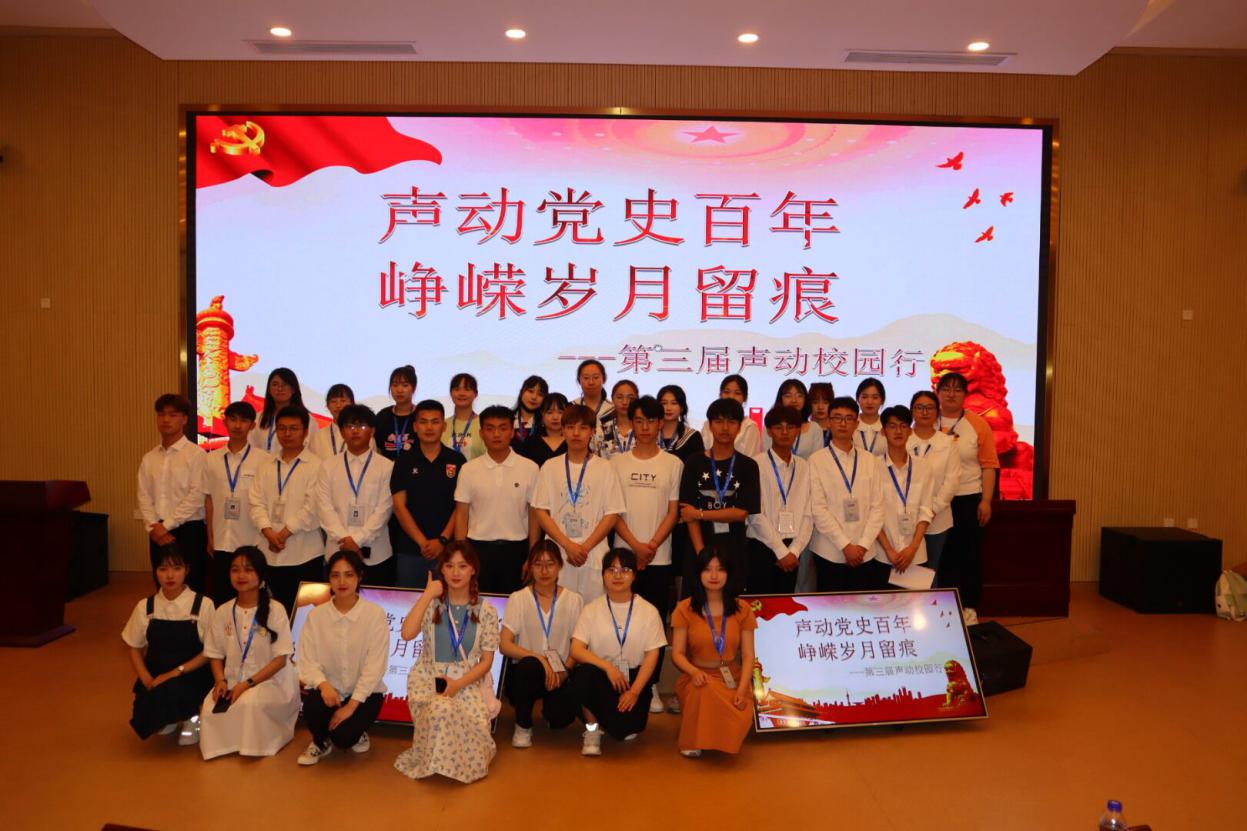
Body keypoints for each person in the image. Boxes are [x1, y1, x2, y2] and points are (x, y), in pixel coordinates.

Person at [395, 544, 500, 784]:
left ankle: (452, 761)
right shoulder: (432, 603)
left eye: (462, 566)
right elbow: (407, 633)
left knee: (473, 739)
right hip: (429, 681)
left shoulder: (487, 610)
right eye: (449, 566)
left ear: (473, 570)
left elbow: (486, 661)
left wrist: (458, 684)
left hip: (467, 682)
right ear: (441, 569)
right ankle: (439, 762)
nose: (455, 572)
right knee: (441, 709)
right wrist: (427, 595)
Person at [610, 395, 682, 713]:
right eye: (638, 421)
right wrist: (636, 547)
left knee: (652, 624)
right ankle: (622, 681)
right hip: (623, 557)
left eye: (650, 421)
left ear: (660, 424)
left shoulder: (673, 464)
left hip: (659, 556)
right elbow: (613, 512)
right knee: (620, 621)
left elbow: (673, 511)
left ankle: (650, 686)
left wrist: (650, 545)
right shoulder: (616, 463)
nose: (644, 427)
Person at [199, 546, 300, 760]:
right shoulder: (223, 611)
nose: (241, 575)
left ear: (261, 575)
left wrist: (247, 684)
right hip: (233, 680)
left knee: (250, 703)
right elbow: (214, 653)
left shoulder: (275, 610)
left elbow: (281, 660)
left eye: (248, 569)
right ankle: (230, 743)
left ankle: (254, 744)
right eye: (235, 569)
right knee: (209, 710)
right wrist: (220, 681)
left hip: (272, 681)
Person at [295, 549, 390, 765]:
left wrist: (351, 706)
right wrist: (324, 685)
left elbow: (375, 667)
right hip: (330, 692)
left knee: (344, 739)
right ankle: (320, 741)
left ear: (359, 577)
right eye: (335, 575)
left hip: (364, 695)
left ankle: (355, 732)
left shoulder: (374, 614)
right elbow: (307, 661)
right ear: (329, 579)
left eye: (349, 574)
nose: (342, 581)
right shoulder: (316, 616)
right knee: (312, 707)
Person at [569, 549, 667, 756]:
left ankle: (614, 721)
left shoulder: (649, 611)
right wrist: (608, 667)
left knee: (625, 730)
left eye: (625, 570)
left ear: (634, 575)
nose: (617, 575)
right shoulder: (591, 609)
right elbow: (576, 649)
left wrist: (634, 692)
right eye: (611, 570)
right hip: (603, 676)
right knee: (582, 675)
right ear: (603, 574)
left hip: (633, 679)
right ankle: (592, 730)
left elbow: (652, 655)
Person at [122, 545, 215, 745]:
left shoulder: (203, 604)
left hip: (191, 672)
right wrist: (148, 681)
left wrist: (176, 672)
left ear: (187, 570)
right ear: (155, 571)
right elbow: (134, 648)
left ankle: (193, 717)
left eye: (177, 568)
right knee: (144, 710)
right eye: (163, 569)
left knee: (177, 688)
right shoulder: (145, 606)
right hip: (157, 671)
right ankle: (170, 717)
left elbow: (210, 652)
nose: (170, 575)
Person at [532, 403, 624, 603]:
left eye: (583, 428)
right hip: (558, 552)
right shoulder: (550, 467)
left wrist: (585, 547)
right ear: (563, 430)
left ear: (592, 432)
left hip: (594, 553)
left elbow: (613, 513)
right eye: (570, 427)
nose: (576, 433)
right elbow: (540, 511)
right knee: (558, 611)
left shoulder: (605, 468)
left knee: (593, 612)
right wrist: (568, 546)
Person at [670, 546, 756, 757]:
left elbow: (748, 656)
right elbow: (677, 654)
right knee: (703, 690)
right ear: (699, 574)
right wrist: (693, 672)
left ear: (729, 573)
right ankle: (695, 738)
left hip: (732, 677)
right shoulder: (684, 608)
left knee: (740, 708)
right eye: (708, 569)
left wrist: (742, 689)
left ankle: (713, 732)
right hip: (698, 677)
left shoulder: (743, 609)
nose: (714, 575)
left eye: (720, 569)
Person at [499, 541, 585, 748]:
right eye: (538, 564)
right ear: (530, 567)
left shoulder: (574, 600)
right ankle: (523, 725)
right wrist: (540, 659)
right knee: (528, 666)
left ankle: (550, 711)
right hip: (529, 672)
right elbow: (504, 645)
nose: (544, 571)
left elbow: (579, 645)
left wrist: (565, 671)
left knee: (560, 720)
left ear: (560, 566)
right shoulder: (519, 598)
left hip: (561, 671)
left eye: (550, 564)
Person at [453, 405, 540, 594]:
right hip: (477, 550)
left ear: (512, 432)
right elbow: (461, 515)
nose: (496, 434)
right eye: (490, 428)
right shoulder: (469, 469)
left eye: (503, 428)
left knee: (514, 606)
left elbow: (534, 516)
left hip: (516, 550)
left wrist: (532, 556)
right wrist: (461, 557)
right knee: (478, 605)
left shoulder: (530, 468)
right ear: (481, 433)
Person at [935, 371, 1000, 623]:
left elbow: (989, 465)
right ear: (938, 392)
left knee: (969, 555)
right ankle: (941, 609)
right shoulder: (927, 419)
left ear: (965, 395)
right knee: (940, 555)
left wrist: (986, 501)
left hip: (968, 498)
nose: (951, 394)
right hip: (935, 501)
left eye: (957, 389)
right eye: (946, 389)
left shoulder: (977, 424)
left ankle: (970, 607)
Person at [679, 398, 761, 595]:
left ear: (739, 427)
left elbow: (740, 513)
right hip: (698, 548)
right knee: (695, 606)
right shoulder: (693, 462)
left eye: (731, 422)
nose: (725, 427)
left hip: (734, 551)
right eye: (719, 421)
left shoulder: (748, 466)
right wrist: (702, 554)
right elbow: (686, 513)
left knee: (732, 606)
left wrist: (699, 513)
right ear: (709, 425)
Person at [247, 405, 323, 615]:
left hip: (305, 553)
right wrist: (268, 531)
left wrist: (283, 534)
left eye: (293, 428)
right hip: (268, 551)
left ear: (305, 432)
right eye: (282, 428)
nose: (287, 434)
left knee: (304, 618)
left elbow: (313, 507)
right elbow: (255, 502)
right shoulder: (266, 465)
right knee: (270, 615)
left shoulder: (317, 466)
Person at [808, 397, 887, 591]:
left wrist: (862, 545)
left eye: (849, 418)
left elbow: (878, 507)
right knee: (829, 606)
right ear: (829, 422)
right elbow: (818, 509)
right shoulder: (816, 460)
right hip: (829, 551)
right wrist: (845, 546)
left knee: (862, 606)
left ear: (856, 424)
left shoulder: (870, 460)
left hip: (865, 552)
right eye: (837, 418)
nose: (843, 423)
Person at [315, 405, 397, 586]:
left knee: (374, 601)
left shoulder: (386, 467)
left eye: (362, 426)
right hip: (336, 550)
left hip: (376, 553)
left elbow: (384, 509)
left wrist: (357, 541)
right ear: (341, 431)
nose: (355, 431)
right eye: (350, 426)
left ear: (372, 431)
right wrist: (346, 541)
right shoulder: (328, 466)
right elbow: (324, 507)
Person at [137, 393, 208, 591]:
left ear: (184, 419)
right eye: (161, 414)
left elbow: (197, 496)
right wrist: (153, 527)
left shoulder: (197, 455)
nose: (166, 420)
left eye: (173, 415)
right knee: (162, 586)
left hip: (189, 529)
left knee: (191, 586)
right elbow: (143, 496)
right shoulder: (149, 458)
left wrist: (166, 525)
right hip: (157, 531)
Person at [391, 399, 464, 588]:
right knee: (409, 602)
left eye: (435, 422)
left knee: (447, 601)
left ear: (444, 426)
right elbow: (399, 507)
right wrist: (423, 542)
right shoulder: (403, 461)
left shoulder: (457, 461)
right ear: (415, 427)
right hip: (410, 550)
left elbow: (461, 507)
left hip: (448, 551)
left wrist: (442, 540)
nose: (429, 427)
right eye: (423, 422)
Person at [203, 400, 270, 604]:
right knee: (222, 597)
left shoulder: (263, 460)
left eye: (243, 420)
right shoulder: (211, 459)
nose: (237, 425)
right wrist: (210, 537)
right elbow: (209, 500)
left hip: (251, 539)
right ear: (225, 422)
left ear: (252, 425)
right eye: (233, 420)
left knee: (252, 596)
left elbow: (265, 502)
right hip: (222, 540)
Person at [746, 406, 812, 595]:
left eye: (790, 427)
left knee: (785, 605)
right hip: (762, 546)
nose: (784, 432)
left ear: (798, 431)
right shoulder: (755, 464)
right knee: (759, 606)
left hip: (793, 549)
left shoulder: (804, 466)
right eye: (778, 427)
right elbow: (755, 514)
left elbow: (809, 513)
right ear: (768, 431)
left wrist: (794, 550)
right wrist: (781, 551)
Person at [875, 406, 936, 584]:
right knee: (881, 602)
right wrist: (889, 550)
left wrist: (912, 548)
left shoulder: (923, 467)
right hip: (882, 555)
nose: (898, 431)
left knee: (916, 602)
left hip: (916, 554)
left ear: (910, 431)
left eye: (903, 426)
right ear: (883, 431)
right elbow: (872, 512)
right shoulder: (872, 467)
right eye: (892, 426)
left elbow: (926, 510)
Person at [907, 391, 959, 578]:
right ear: (912, 411)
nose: (924, 412)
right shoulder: (902, 439)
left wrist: (931, 511)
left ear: (937, 412)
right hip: (906, 518)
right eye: (919, 407)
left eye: (929, 408)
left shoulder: (947, 442)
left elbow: (952, 480)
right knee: (907, 572)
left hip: (937, 519)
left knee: (930, 571)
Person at [797, 381, 836, 591]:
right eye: (815, 401)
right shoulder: (805, 429)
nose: (820, 406)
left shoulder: (839, 429)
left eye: (825, 401)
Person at [250, 368, 319, 453]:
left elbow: (313, 450)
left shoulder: (307, 419)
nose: (280, 389)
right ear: (269, 390)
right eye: (275, 384)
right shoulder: (258, 418)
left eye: (285, 384)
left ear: (294, 389)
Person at [701, 374, 762, 456]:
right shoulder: (708, 423)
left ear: (745, 398)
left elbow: (751, 457)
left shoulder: (750, 426)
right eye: (726, 392)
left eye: (737, 393)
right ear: (720, 395)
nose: (731, 397)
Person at [375, 365, 418, 462]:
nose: (399, 390)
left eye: (405, 385)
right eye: (395, 385)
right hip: (386, 470)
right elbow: (377, 449)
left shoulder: (421, 415)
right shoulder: (382, 416)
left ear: (414, 388)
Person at [517, 392, 568, 468]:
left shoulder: (574, 441)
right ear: (542, 414)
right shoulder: (530, 443)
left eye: (560, 412)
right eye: (549, 412)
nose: (555, 417)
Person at [572, 359, 613, 454]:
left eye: (596, 377)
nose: (591, 382)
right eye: (586, 378)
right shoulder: (571, 408)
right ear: (579, 380)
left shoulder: (613, 409)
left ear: (604, 379)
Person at [657, 384, 705, 463]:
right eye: (664, 403)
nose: (668, 408)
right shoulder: (650, 434)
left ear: (682, 408)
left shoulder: (693, 436)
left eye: (674, 403)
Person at [444, 372, 486, 461]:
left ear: (476, 394)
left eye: (467, 389)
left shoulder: (484, 424)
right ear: (451, 393)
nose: (461, 393)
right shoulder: (443, 424)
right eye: (457, 389)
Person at [773, 379, 818, 460]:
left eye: (799, 396)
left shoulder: (815, 428)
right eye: (788, 396)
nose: (794, 400)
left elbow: (817, 461)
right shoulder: (771, 427)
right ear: (781, 399)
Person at [309, 383, 355, 460]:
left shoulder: (361, 434)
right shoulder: (318, 436)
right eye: (333, 401)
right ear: (327, 406)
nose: (338, 405)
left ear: (352, 404)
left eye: (343, 401)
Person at [598, 379, 639, 460]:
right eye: (619, 397)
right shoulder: (601, 431)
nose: (625, 402)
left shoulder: (644, 429)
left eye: (630, 398)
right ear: (612, 399)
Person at [854, 378, 887, 457]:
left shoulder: (888, 425)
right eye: (864, 397)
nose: (869, 402)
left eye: (875, 397)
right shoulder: (850, 423)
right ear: (858, 399)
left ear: (882, 400)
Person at [511, 375, 548, 447]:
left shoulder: (546, 425)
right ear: (521, 392)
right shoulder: (507, 420)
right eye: (530, 391)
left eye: (540, 394)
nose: (534, 397)